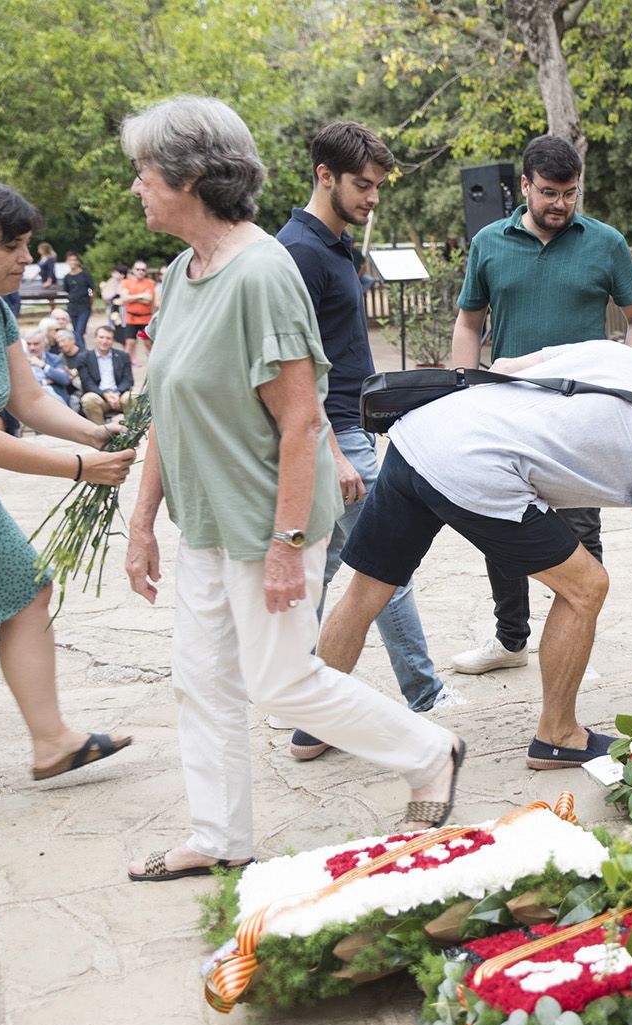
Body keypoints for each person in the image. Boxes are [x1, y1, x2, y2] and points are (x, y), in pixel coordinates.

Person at [119, 96, 465, 880]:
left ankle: (430, 750)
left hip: (265, 523)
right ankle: (220, 836)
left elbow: (303, 421)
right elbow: (164, 408)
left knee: (281, 683)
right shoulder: (180, 273)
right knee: (200, 682)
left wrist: (286, 546)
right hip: (205, 524)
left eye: (145, 171)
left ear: (191, 175)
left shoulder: (263, 272)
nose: (137, 186)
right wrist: (142, 523)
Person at [320, 340, 632, 771]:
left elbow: (505, 366)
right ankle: (558, 735)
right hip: (475, 466)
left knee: (369, 586)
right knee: (586, 586)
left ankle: (316, 721)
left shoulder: (628, 360)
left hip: (420, 433)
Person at [0, 175, 136, 814]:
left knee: (27, 585)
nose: (26, 259)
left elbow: (28, 399)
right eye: (10, 245)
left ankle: (52, 741)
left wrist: (95, 433)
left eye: (26, 244)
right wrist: (79, 467)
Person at [447, 133, 632, 677]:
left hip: (581, 416)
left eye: (569, 193)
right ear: (524, 186)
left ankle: (576, 639)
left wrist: (628, 381)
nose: (560, 204)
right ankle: (510, 640)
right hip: (506, 412)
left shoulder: (606, 242)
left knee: (580, 532)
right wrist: (464, 389)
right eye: (548, 192)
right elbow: (468, 324)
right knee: (500, 525)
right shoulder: (488, 242)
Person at [275, 119, 447, 761]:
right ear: (325, 176)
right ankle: (425, 695)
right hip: (331, 434)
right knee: (387, 561)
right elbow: (291, 369)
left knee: (323, 572)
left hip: (348, 427)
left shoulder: (334, 243)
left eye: (377, 185)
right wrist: (332, 450)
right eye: (363, 185)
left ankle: (303, 702)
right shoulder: (299, 252)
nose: (373, 197)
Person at [72, 325, 133, 425]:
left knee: (132, 397)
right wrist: (105, 395)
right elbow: (87, 383)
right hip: (98, 396)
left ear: (113, 340)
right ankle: (101, 431)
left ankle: (131, 430)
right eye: (101, 337)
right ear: (95, 338)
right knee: (88, 399)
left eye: (108, 338)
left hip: (119, 395)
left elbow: (128, 380)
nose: (104, 341)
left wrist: (117, 393)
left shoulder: (123, 356)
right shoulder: (84, 358)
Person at [22, 328, 72, 405]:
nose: (32, 348)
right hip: (29, 400)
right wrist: (45, 381)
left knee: (47, 390)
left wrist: (44, 366)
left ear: (44, 344)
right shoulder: (21, 360)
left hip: (54, 399)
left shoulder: (53, 359)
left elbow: (65, 379)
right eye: (29, 344)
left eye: (36, 344)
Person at [119, 260, 155, 364]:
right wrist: (141, 295)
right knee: (130, 342)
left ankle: (152, 363)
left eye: (143, 270)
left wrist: (132, 298)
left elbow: (148, 300)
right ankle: (126, 364)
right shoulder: (127, 282)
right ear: (133, 270)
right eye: (138, 269)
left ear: (146, 271)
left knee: (147, 342)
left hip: (145, 319)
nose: (140, 271)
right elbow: (124, 298)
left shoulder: (149, 283)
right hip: (131, 318)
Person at [60, 251, 95, 349]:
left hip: (84, 306)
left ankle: (82, 352)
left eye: (74, 260)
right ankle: (82, 351)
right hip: (72, 307)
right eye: (70, 260)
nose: (72, 262)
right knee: (76, 332)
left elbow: (92, 290)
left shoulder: (85, 275)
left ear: (78, 261)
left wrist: (91, 302)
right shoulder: (67, 277)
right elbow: (67, 291)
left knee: (80, 331)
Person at [101, 263, 127, 345]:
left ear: (122, 275)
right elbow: (106, 297)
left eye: (116, 273)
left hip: (123, 311)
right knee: (114, 330)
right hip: (114, 310)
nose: (113, 275)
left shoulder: (126, 283)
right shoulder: (111, 282)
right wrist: (103, 289)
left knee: (123, 332)